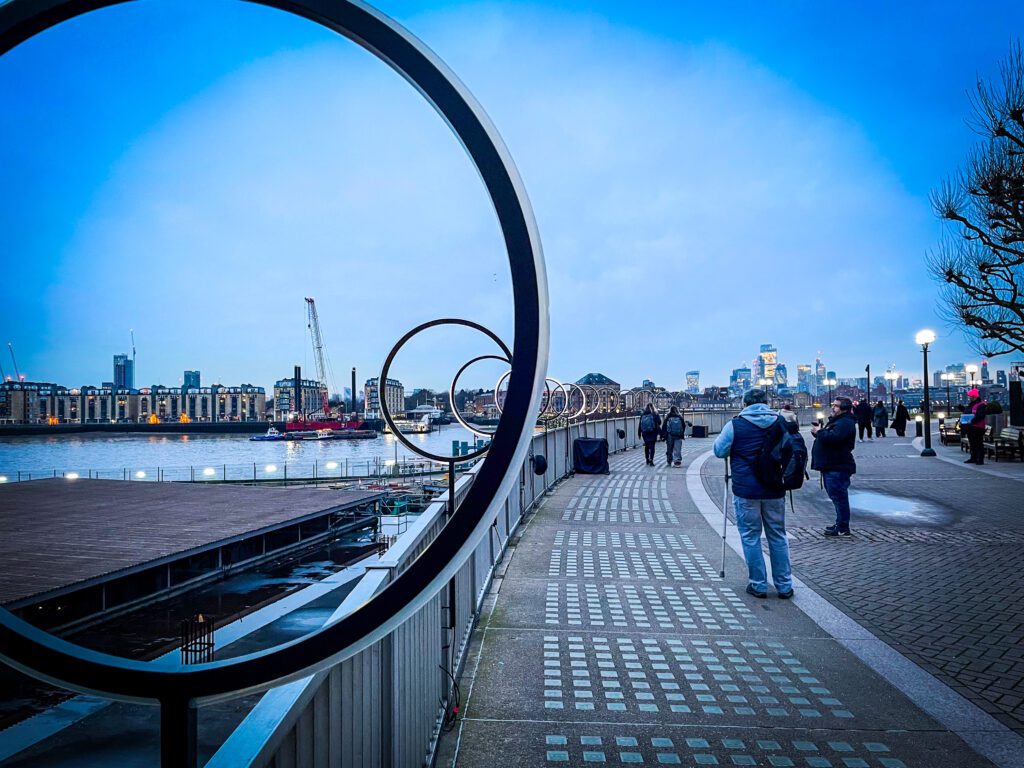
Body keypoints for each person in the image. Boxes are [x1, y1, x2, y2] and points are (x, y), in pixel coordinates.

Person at [712, 389, 793, 599]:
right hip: (775, 487)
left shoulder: (736, 424)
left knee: (750, 536)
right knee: (778, 535)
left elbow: (719, 451)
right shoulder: (780, 422)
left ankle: (758, 584)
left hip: (746, 489)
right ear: (766, 402)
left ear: (744, 403)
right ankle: (784, 585)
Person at [811, 396, 857, 537]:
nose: (833, 407)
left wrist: (820, 432)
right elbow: (830, 438)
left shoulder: (844, 423)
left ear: (843, 409)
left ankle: (843, 527)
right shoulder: (839, 421)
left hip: (837, 466)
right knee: (837, 497)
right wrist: (819, 434)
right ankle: (840, 523)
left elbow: (834, 438)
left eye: (836, 406)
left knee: (839, 497)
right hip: (832, 465)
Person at [963, 388, 988, 465]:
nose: (969, 398)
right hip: (971, 427)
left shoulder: (981, 405)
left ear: (974, 396)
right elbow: (968, 412)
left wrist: (972, 421)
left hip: (978, 427)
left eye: (970, 396)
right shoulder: (972, 404)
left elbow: (981, 416)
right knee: (972, 443)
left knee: (978, 443)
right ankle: (973, 457)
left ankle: (980, 459)